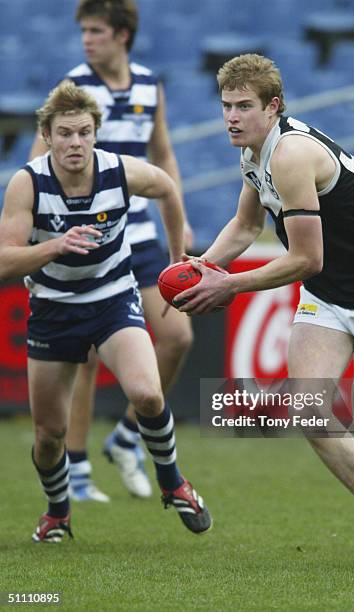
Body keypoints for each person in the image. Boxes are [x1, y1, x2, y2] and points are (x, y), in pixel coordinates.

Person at [175, 54, 354, 568]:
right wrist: (204, 267)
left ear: (273, 107)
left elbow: (305, 256)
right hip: (328, 294)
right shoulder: (254, 152)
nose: (231, 117)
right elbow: (246, 228)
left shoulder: (289, 155)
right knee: (307, 409)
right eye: (226, 105)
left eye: (244, 106)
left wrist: (230, 286)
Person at [0, 81, 211, 541]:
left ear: (96, 133)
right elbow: (4, 259)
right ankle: (57, 512)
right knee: (49, 435)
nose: (74, 143)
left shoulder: (119, 171)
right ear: (48, 135)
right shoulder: (28, 182)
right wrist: (55, 245)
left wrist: (177, 258)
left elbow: (167, 188)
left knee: (149, 395)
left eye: (83, 132)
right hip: (54, 310)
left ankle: (173, 481)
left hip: (113, 298)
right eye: (64, 134)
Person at [29, 0, 193, 502]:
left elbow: (160, 155)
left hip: (138, 233)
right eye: (84, 31)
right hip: (87, 234)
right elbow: (41, 162)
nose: (86, 39)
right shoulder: (75, 87)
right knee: (89, 354)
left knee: (178, 337)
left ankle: (126, 437)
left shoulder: (148, 83)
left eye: (96, 30)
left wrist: (179, 228)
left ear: (122, 35)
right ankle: (75, 467)